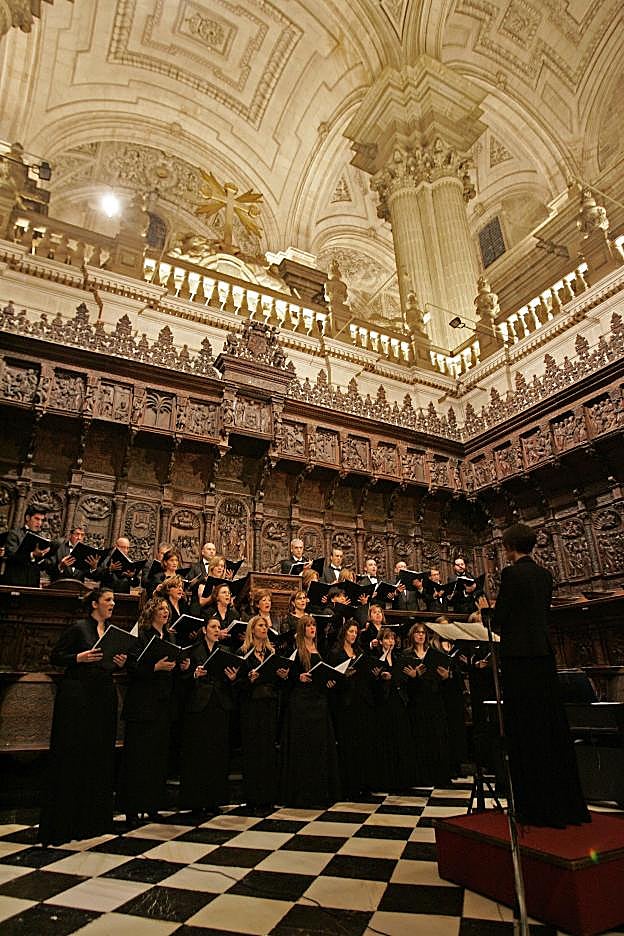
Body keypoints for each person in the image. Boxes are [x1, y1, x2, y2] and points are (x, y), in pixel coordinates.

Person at [492, 522, 590, 828]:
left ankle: (536, 805)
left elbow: (500, 619)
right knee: (550, 724)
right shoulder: (545, 575)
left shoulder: (511, 574)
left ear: (509, 547)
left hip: (519, 658)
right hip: (543, 655)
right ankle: (566, 802)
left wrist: (486, 612)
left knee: (526, 727)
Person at [38, 587, 127, 846]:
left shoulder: (109, 632)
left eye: (114, 600)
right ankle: (65, 823)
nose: (113, 604)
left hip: (102, 696)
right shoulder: (79, 628)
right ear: (94, 604)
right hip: (78, 697)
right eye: (108, 600)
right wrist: (79, 657)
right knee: (74, 754)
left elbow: (105, 663)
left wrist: (118, 662)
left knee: (98, 755)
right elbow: (56, 657)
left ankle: (93, 821)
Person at [118, 596, 190, 825]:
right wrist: (154, 667)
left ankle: (152, 804)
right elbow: (131, 666)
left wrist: (182, 666)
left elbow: (173, 670)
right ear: (151, 612)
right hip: (142, 704)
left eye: (167, 609)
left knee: (157, 757)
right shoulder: (141, 636)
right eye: (160, 608)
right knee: (138, 756)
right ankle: (132, 808)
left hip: (163, 704)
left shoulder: (170, 637)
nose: (165, 612)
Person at [179, 616, 238, 819]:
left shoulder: (225, 652)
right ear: (204, 630)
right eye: (213, 626)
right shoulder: (193, 650)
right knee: (198, 754)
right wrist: (194, 674)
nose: (216, 630)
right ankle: (196, 801)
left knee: (217, 753)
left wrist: (232, 679)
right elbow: (183, 678)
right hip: (199, 706)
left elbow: (230, 680)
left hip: (219, 705)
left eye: (219, 627)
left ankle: (214, 800)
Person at [279, 614, 340, 807]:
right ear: (302, 629)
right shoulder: (295, 650)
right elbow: (288, 675)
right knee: (303, 747)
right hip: (302, 703)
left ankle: (320, 792)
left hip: (319, 701)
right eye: (308, 625)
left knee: (319, 746)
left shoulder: (321, 649)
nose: (312, 628)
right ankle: (302, 793)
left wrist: (330, 681)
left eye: (314, 625)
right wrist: (298, 677)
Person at [237, 616, 289, 812]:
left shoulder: (271, 653)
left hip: (268, 703)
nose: (264, 628)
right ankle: (253, 796)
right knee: (253, 749)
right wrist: (248, 679)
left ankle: (267, 795)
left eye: (266, 626)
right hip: (251, 705)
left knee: (267, 749)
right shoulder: (243, 653)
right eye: (260, 625)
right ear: (252, 629)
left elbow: (276, 682)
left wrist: (282, 677)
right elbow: (237, 684)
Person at [328, 620, 376, 797]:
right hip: (345, 702)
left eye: (356, 632)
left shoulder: (360, 652)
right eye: (351, 631)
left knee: (363, 743)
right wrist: (343, 676)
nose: (354, 635)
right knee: (349, 744)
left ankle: (364, 783)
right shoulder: (335, 652)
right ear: (344, 632)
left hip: (361, 700)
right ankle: (350, 785)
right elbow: (332, 678)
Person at [402, 623, 452, 787]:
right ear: (412, 635)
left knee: (437, 738)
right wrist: (413, 676)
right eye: (417, 632)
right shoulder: (407, 654)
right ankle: (423, 776)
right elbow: (402, 681)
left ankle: (439, 775)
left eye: (423, 632)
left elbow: (442, 678)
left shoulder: (434, 654)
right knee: (421, 738)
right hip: (417, 700)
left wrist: (446, 677)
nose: (421, 635)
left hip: (434, 699)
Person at [370, 626, 414, 793]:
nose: (390, 641)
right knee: (385, 738)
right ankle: (386, 779)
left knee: (400, 738)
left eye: (392, 639)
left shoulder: (399, 657)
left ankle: (401, 778)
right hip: (383, 702)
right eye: (387, 638)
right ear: (381, 641)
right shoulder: (375, 658)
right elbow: (371, 682)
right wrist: (379, 677)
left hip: (398, 699)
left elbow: (404, 679)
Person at [2, 503, 50, 586]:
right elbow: (11, 556)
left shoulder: (41, 537)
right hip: (15, 581)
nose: (39, 523)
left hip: (33, 583)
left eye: (42, 520)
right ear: (28, 518)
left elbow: (41, 566)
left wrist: (44, 556)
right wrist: (32, 554)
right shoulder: (14, 534)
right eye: (37, 519)